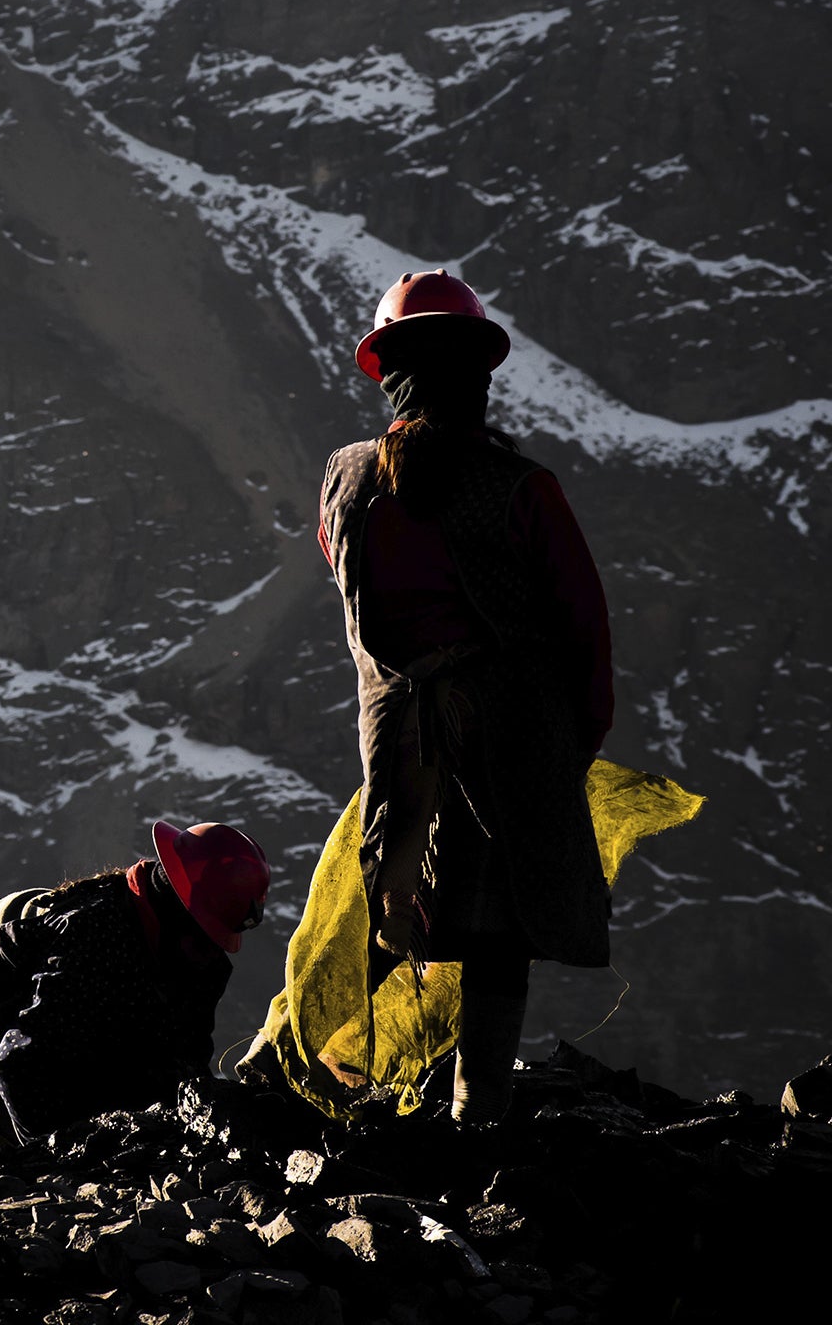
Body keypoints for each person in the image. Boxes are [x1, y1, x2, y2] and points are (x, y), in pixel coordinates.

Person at [318, 269, 613, 1124]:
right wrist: (573, 741)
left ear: (390, 370)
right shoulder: (522, 489)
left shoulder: (344, 479)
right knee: (497, 932)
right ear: (477, 374)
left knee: (403, 902)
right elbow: (582, 627)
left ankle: (364, 1105)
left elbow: (343, 575)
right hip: (509, 738)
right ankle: (476, 1111)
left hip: (396, 739)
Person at [0, 822, 270, 1143]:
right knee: (23, 1133)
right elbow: (23, 1064)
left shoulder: (193, 954)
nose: (211, 952)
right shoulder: (96, 936)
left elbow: (186, 1058)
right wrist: (64, 1168)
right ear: (179, 912)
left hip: (44, 1010)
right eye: (204, 936)